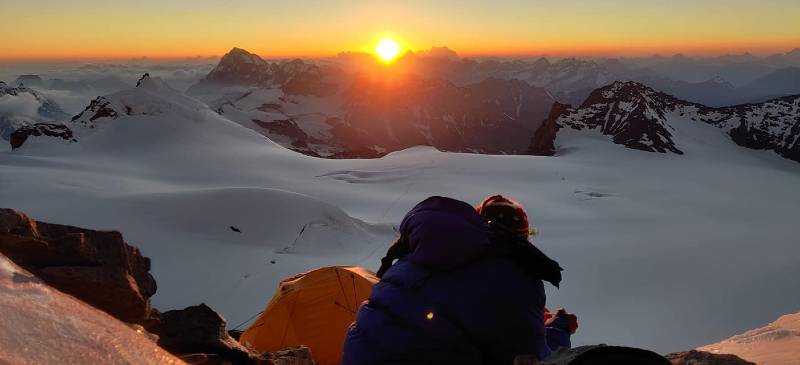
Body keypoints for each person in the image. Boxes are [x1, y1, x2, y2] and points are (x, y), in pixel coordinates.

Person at [342, 195, 575, 364]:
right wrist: (559, 329)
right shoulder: (517, 281)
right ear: (522, 238)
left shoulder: (418, 252)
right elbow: (532, 355)